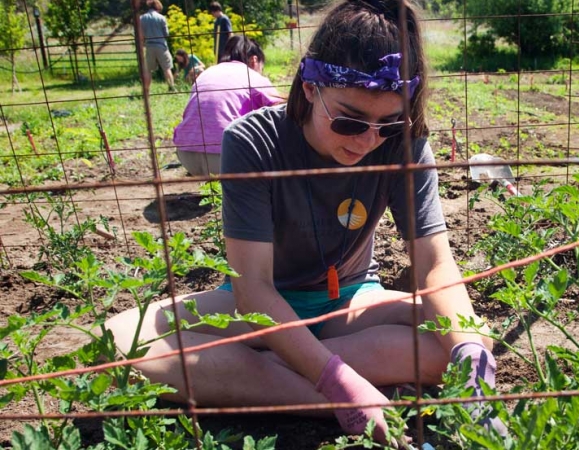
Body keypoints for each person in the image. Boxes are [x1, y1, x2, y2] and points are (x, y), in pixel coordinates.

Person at [105, 0, 501, 445]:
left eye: (388, 124)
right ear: (310, 87)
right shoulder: (252, 141)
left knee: (471, 339)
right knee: (117, 345)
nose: (370, 140)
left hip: (350, 303)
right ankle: (326, 390)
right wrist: (338, 383)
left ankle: (261, 371)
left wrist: (467, 354)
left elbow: (434, 267)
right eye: (350, 120)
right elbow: (253, 288)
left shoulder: (405, 144)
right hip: (259, 307)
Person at [171, 36, 283, 176]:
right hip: (227, 159)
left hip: (187, 155)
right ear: (254, 60)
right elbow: (282, 111)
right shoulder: (252, 76)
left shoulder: (207, 73)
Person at [140, 0, 175, 91]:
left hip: (149, 46)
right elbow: (166, 34)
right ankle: (171, 87)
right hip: (161, 46)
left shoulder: (142, 18)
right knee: (166, 68)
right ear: (158, 8)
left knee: (148, 69)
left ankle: (146, 90)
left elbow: (141, 34)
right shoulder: (162, 18)